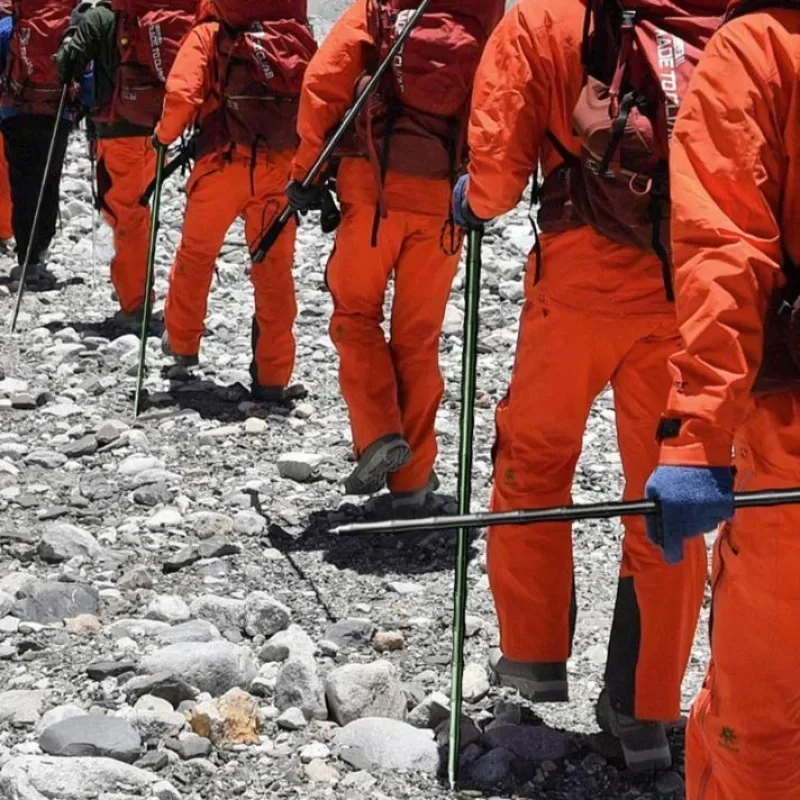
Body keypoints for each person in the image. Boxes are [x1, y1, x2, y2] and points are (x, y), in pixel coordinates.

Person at [453, 0, 710, 770]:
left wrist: (471, 199)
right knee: (671, 490)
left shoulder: (541, 18)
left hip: (575, 287)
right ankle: (646, 707)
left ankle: (533, 655)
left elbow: (496, 181)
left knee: (534, 454)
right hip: (685, 287)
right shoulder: (710, 20)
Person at [645, 1, 800, 796]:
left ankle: (619, 701)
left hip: (791, 447)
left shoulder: (759, 49)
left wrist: (696, 445)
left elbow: (726, 256)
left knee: (762, 721)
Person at [288, 0, 504, 509]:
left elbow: (324, 82)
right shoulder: (486, 17)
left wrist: (305, 172)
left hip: (374, 191)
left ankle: (380, 433)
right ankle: (412, 484)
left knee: (355, 317)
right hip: (444, 203)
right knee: (418, 339)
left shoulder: (379, 10)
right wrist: (487, 196)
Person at [155, 0, 315, 403]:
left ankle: (183, 348)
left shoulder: (211, 32)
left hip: (221, 164)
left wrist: (163, 136)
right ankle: (273, 376)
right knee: (274, 269)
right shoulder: (294, 32)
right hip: (280, 169)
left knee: (197, 256)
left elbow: (181, 93)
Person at [54, 0, 196, 327]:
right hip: (159, 130)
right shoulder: (170, 10)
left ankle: (135, 305)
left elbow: (67, 64)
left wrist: (68, 42)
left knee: (126, 216)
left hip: (118, 132)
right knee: (141, 212)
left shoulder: (103, 15)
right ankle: (143, 295)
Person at [1, 0, 75, 288]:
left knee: (22, 185)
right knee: (49, 179)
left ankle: (26, 259)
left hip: (16, 111)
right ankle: (41, 251)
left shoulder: (11, 26)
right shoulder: (71, 23)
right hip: (58, 112)